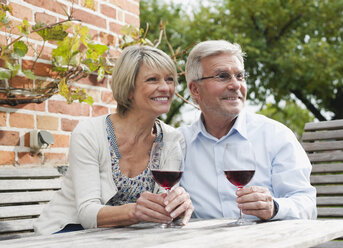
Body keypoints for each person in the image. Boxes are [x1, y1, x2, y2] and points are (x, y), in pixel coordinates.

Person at [34, 45, 194, 235]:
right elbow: (87, 213)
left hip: (123, 237)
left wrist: (175, 207)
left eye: (170, 79)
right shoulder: (89, 133)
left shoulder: (172, 139)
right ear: (128, 90)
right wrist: (136, 211)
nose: (165, 88)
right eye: (152, 79)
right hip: (68, 230)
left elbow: (162, 208)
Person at [179, 40, 316, 221]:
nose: (236, 85)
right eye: (222, 76)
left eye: (240, 76)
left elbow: (306, 205)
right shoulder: (179, 143)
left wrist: (274, 208)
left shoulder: (276, 136)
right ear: (195, 89)